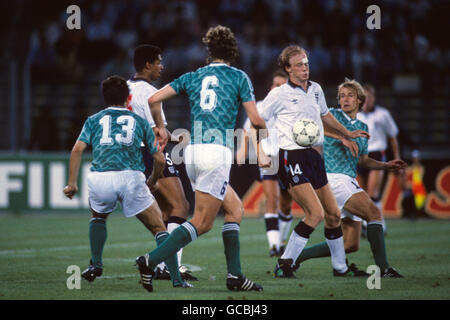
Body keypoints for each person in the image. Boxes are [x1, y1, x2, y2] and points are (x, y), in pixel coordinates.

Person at [134, 25, 268, 293]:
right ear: (233, 50)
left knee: (235, 209)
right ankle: (151, 260)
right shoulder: (239, 77)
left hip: (192, 153)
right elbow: (255, 119)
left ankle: (235, 276)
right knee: (203, 222)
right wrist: (263, 145)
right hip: (216, 153)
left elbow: (153, 98)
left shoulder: (194, 75)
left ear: (209, 50)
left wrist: (160, 126)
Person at [63, 75, 191, 290]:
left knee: (98, 218)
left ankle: (96, 264)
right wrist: (153, 180)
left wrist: (71, 184)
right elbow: (159, 158)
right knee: (159, 228)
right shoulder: (139, 121)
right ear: (127, 97)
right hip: (130, 178)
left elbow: (77, 149)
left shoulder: (94, 120)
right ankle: (177, 279)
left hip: (100, 178)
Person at [258, 45, 370, 278]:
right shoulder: (279, 94)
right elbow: (258, 120)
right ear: (288, 68)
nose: (305, 68)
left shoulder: (316, 89)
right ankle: (285, 262)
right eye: (299, 64)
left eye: (306, 63)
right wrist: (260, 150)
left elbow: (324, 115)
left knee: (332, 214)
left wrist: (347, 133)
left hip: (313, 156)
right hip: (290, 156)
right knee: (315, 214)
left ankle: (340, 267)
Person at [292, 78, 405, 278]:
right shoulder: (332, 115)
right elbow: (314, 127)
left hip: (348, 179)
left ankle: (295, 257)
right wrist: (342, 137)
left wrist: (385, 166)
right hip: (334, 179)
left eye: (350, 96)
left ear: (360, 100)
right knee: (374, 214)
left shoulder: (363, 127)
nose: (345, 99)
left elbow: (362, 160)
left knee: (349, 244)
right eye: (342, 96)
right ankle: (383, 269)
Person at [126, 44, 196, 281]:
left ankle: (163, 266)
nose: (161, 66)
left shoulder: (125, 88)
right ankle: (169, 266)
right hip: (151, 152)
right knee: (180, 206)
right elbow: (158, 131)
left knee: (165, 211)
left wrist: (175, 136)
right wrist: (172, 136)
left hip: (133, 154)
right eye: (158, 61)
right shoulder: (150, 93)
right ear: (147, 64)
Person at [236, 70, 289, 257]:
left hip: (289, 156)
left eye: (282, 85)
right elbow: (247, 129)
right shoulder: (259, 106)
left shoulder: (290, 107)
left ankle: (281, 240)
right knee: (271, 200)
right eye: (275, 84)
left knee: (287, 203)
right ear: (270, 87)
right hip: (267, 156)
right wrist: (242, 151)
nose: (277, 88)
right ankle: (274, 245)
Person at [356, 84, 401, 234]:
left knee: (373, 192)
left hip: (377, 154)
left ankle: (380, 225)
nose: (367, 101)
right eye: (364, 97)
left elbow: (393, 137)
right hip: (359, 155)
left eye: (369, 97)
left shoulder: (383, 114)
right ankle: (366, 224)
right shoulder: (355, 115)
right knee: (361, 193)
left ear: (374, 98)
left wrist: (396, 158)